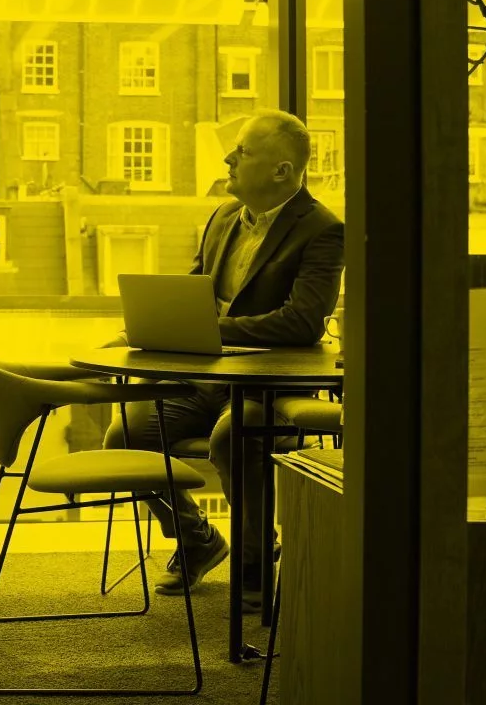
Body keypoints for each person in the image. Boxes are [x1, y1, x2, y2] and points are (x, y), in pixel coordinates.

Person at [104, 109, 344, 606]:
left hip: (269, 388)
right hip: (208, 381)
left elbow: (301, 322)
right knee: (124, 435)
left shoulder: (322, 229)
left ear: (282, 171)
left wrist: (213, 330)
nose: (228, 159)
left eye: (244, 151)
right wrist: (151, 326)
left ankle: (255, 561)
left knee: (232, 437)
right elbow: (195, 291)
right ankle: (197, 539)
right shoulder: (222, 218)